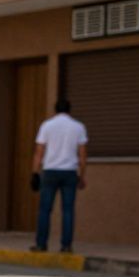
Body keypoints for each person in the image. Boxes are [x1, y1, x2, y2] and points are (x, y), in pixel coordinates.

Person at [31, 99, 88, 253]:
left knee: (45, 209)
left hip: (50, 171)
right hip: (69, 172)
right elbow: (82, 155)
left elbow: (39, 151)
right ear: (70, 110)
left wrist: (35, 172)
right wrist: (81, 176)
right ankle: (66, 245)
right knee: (68, 210)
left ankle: (41, 244)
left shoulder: (47, 126)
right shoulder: (78, 127)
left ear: (55, 110)